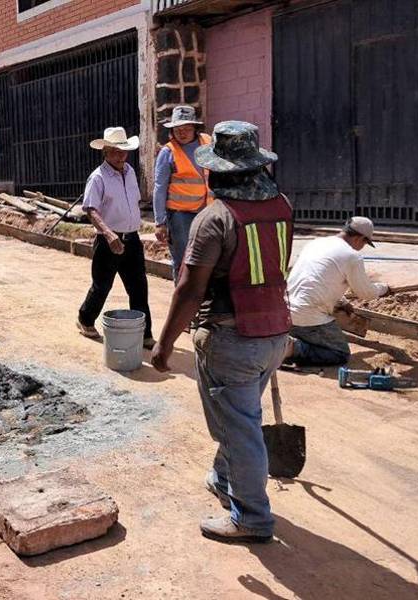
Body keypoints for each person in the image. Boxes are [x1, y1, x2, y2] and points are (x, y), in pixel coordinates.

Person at [151, 121, 293, 544]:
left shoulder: (215, 219)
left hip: (232, 340)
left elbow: (190, 289)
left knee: (238, 429)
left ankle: (251, 518)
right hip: (275, 334)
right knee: (242, 418)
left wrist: (164, 345)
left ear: (217, 171)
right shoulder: (282, 205)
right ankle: (223, 477)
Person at [77, 126, 155, 349]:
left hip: (132, 239)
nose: (121, 156)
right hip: (108, 241)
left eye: (123, 151)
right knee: (102, 286)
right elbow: (90, 209)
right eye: (115, 151)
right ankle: (85, 319)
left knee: (139, 287)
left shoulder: (130, 172)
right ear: (106, 152)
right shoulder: (98, 177)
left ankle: (145, 333)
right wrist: (108, 233)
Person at [284, 217, 389, 366]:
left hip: (285, 313)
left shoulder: (315, 243)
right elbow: (366, 293)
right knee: (339, 353)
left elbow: (314, 280)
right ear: (359, 238)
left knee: (307, 330)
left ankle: (283, 342)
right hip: (308, 317)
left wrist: (341, 301)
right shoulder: (352, 256)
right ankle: (290, 349)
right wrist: (384, 288)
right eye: (365, 243)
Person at [153, 105, 212, 281]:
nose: (182, 133)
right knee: (183, 261)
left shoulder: (208, 143)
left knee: (207, 258)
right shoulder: (167, 152)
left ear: (195, 128)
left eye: (187, 129)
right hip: (180, 215)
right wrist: (160, 222)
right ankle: (182, 294)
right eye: (178, 129)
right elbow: (159, 188)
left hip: (207, 211)